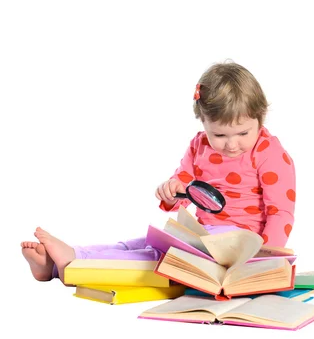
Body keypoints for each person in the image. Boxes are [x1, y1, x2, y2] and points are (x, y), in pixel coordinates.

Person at [22, 61, 296, 283]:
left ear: (261, 117)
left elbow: (280, 213)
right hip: (203, 234)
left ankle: (73, 262)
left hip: (237, 247)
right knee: (142, 243)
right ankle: (63, 262)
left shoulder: (269, 153)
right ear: (203, 122)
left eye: (243, 132)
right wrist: (171, 192)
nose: (232, 144)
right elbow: (185, 192)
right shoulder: (199, 145)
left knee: (157, 257)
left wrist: (265, 256)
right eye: (220, 134)